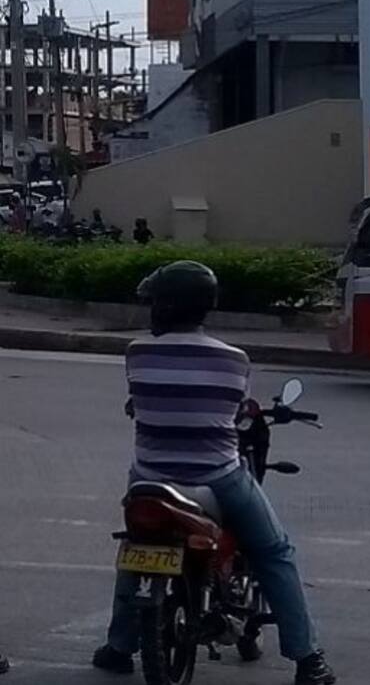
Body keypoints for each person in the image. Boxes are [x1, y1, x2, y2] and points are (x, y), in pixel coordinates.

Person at [92, 261, 336, 685]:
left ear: (167, 307)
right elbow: (235, 409)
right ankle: (307, 659)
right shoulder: (234, 360)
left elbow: (141, 399)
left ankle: (118, 646)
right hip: (218, 477)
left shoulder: (137, 353)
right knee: (275, 552)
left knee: (137, 548)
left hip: (150, 477)